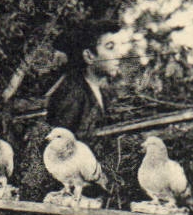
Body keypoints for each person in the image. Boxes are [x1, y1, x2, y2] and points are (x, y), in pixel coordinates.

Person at [20, 20, 125, 200]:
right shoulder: (72, 94)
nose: (119, 54)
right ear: (89, 56)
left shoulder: (100, 92)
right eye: (110, 47)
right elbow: (57, 150)